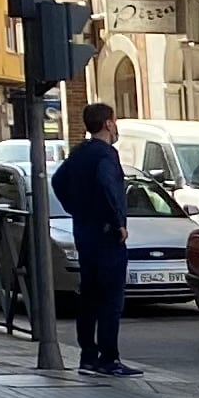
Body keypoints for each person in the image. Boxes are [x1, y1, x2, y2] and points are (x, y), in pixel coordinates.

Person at [52, 102, 139, 376]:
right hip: (106, 235)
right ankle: (108, 358)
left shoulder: (79, 153)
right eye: (115, 120)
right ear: (108, 124)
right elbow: (107, 185)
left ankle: (88, 356)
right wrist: (118, 222)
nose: (117, 126)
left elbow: (57, 181)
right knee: (111, 300)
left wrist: (75, 208)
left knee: (89, 296)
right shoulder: (105, 155)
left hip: (84, 233)